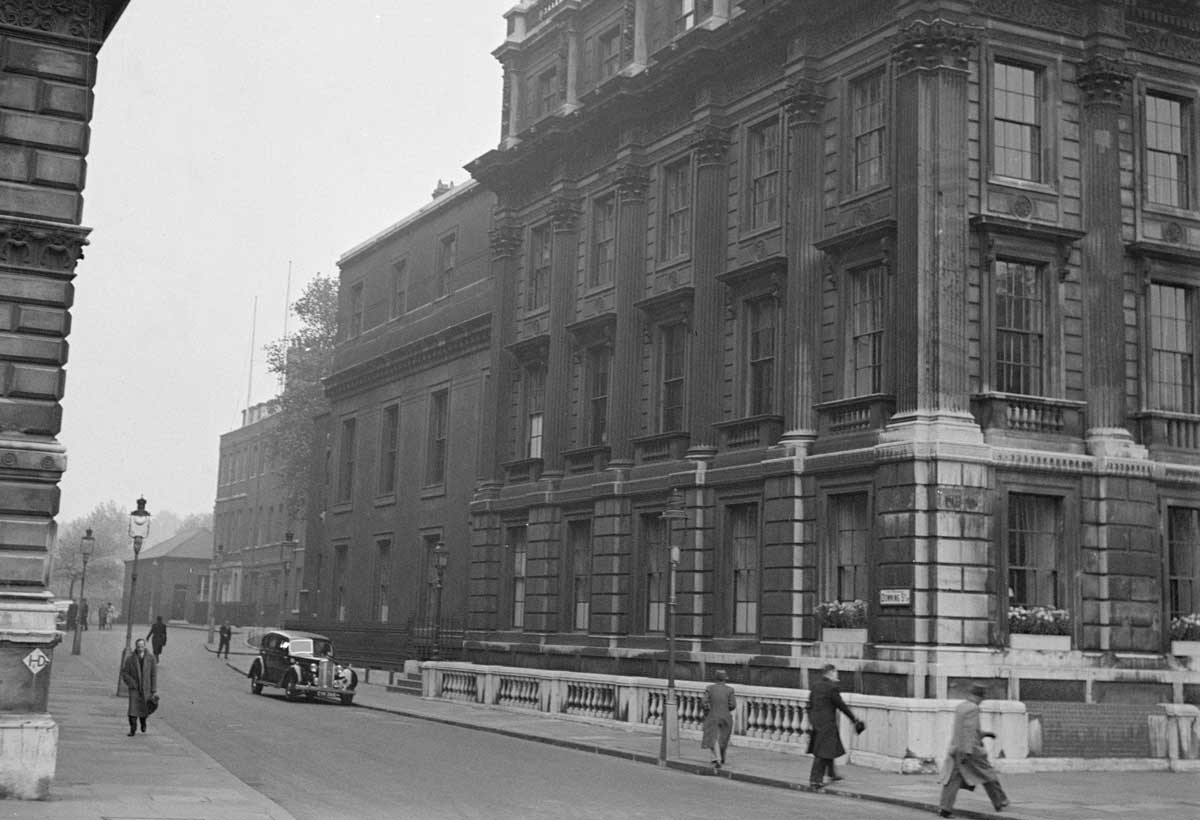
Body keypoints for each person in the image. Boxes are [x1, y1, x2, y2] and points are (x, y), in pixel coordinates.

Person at [938, 683, 1009, 817]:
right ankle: (1000, 801)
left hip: (955, 749)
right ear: (978, 696)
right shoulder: (973, 708)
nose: (982, 701)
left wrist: (985, 734)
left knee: (952, 780)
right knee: (988, 774)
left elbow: (966, 729)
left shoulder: (961, 707)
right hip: (970, 751)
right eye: (982, 698)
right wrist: (968, 751)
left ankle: (945, 808)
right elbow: (969, 732)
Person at [807, 663, 865, 790]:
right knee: (822, 752)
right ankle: (815, 780)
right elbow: (841, 706)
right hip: (828, 724)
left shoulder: (815, 686)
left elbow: (809, 705)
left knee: (829, 748)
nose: (837, 675)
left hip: (817, 723)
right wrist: (854, 719)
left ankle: (832, 774)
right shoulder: (831, 688)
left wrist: (812, 720)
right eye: (835, 673)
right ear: (831, 673)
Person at [120, 638, 157, 736]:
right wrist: (131, 682)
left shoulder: (151, 658)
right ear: (135, 647)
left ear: (144, 646)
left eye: (142, 646)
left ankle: (143, 723)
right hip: (135, 689)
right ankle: (132, 729)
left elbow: (153, 674)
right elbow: (124, 673)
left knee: (144, 709)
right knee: (133, 710)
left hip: (146, 688)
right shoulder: (130, 659)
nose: (140, 649)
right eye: (138, 647)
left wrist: (153, 689)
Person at [700, 669, 736, 770]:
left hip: (713, 716)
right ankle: (720, 758)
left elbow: (703, 703)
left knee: (712, 737)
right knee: (723, 738)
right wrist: (725, 708)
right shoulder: (730, 690)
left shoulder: (710, 688)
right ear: (725, 679)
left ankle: (718, 759)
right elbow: (733, 705)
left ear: (715, 678)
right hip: (726, 717)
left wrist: (707, 708)